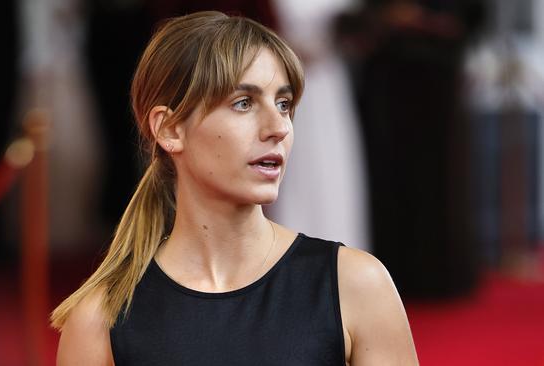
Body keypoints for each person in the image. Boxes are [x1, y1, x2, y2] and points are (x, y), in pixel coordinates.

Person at [51, 11, 418, 365]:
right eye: (244, 103)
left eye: (284, 104)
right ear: (169, 129)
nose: (279, 128)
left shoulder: (355, 285)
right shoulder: (99, 320)